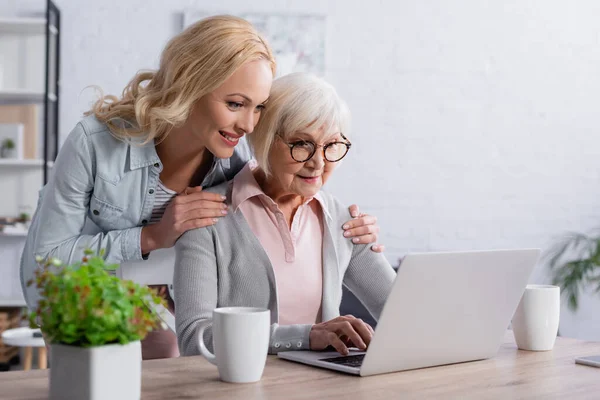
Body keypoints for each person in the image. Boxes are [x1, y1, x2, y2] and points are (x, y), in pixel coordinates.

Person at [19, 16, 382, 360]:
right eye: (235, 104)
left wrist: (351, 231)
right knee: (118, 367)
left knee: (168, 357)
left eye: (258, 108)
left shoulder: (233, 160)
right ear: (190, 86)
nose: (248, 124)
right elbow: (47, 257)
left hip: (151, 294)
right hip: (71, 291)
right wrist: (152, 236)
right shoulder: (95, 143)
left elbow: (284, 187)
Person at [174, 72, 396, 357]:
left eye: (332, 146)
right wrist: (305, 337)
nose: (318, 163)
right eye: (302, 144)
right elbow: (196, 340)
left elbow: (406, 313)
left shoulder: (343, 221)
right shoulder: (207, 218)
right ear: (265, 138)